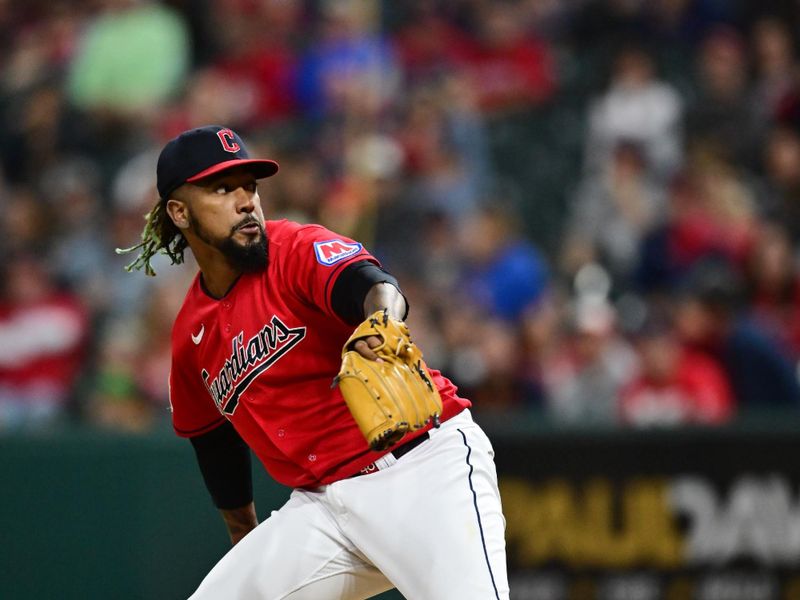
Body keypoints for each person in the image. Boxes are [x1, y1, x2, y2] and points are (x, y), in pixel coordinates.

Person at [119, 125, 509, 600]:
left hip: (422, 472)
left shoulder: (293, 248)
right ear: (179, 212)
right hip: (323, 508)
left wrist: (382, 318)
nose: (246, 202)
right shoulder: (190, 335)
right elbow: (214, 444)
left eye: (250, 187)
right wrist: (248, 544)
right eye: (223, 189)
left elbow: (369, 283)